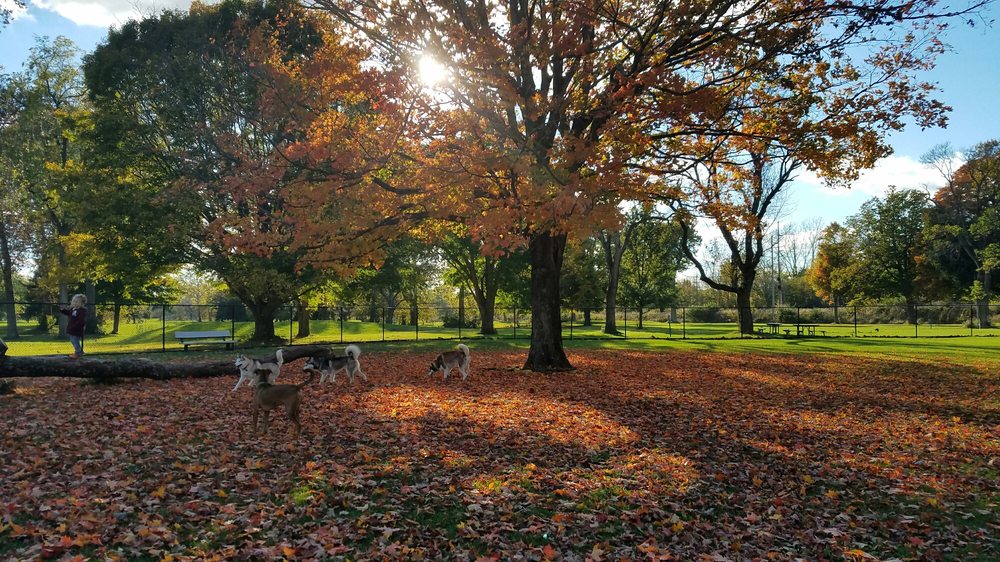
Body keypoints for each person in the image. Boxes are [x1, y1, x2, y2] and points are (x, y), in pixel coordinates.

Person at [59, 294, 88, 359]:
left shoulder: (82, 311)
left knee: (75, 341)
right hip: (71, 328)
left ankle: (78, 353)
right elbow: (68, 313)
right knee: (72, 340)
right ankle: (79, 351)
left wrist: (76, 326)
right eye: (73, 301)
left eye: (76, 302)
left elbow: (81, 321)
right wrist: (63, 311)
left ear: (82, 303)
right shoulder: (73, 309)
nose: (74, 303)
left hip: (77, 329)